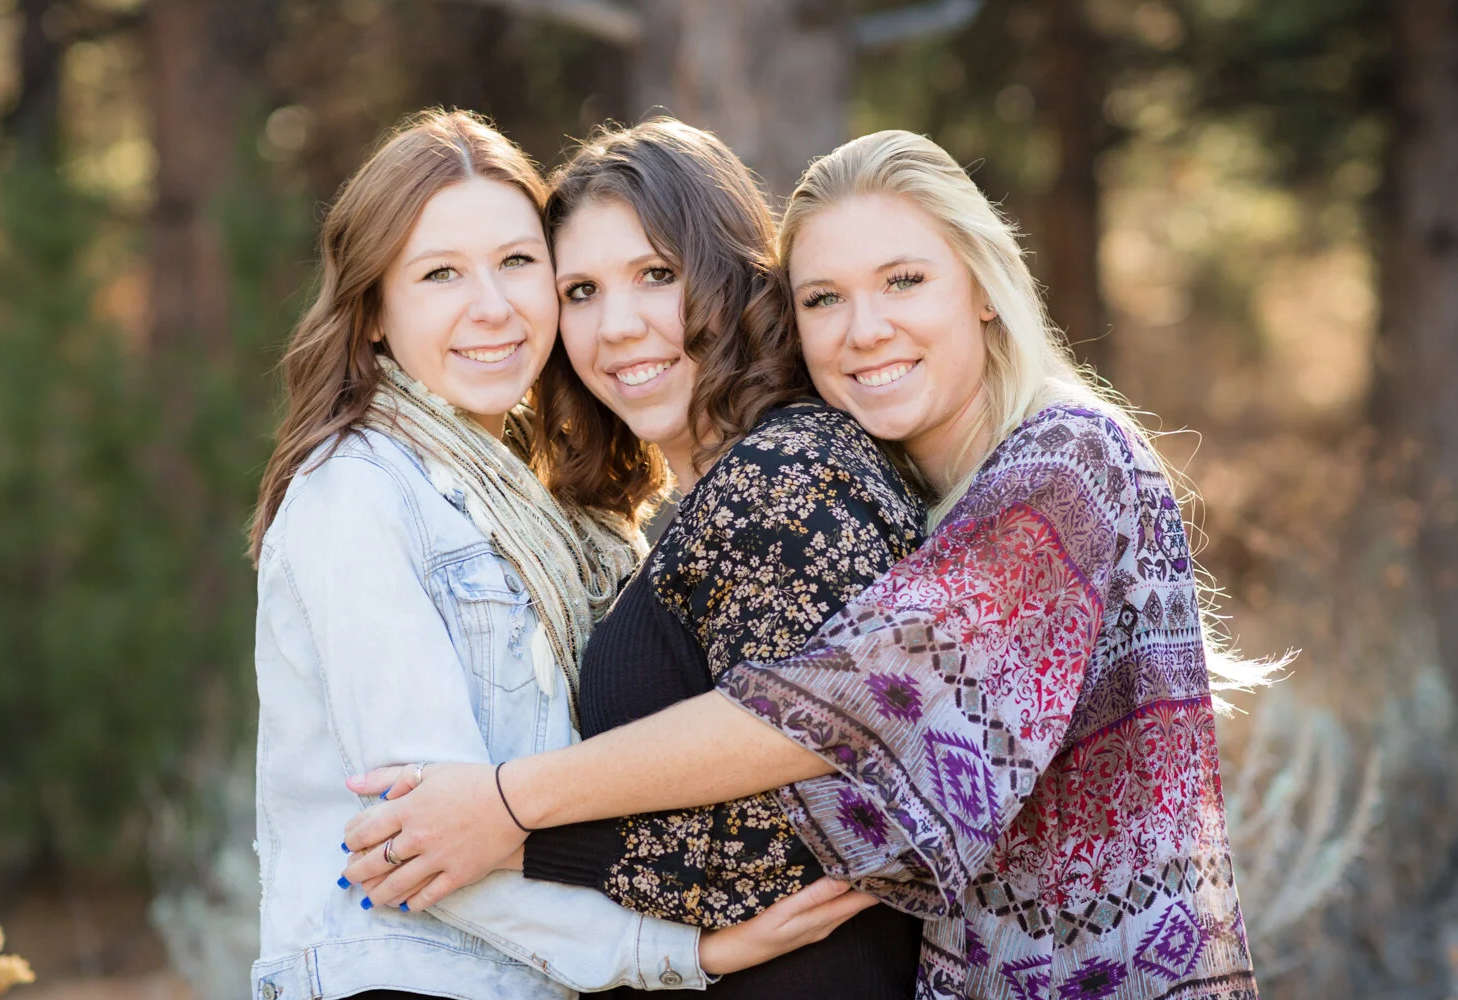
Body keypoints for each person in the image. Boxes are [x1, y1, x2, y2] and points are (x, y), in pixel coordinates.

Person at [342, 129, 1266, 1000]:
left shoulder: (1061, 463)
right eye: (824, 298)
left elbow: (847, 712)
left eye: (904, 281)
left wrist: (509, 816)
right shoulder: (905, 489)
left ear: (985, 285)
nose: (865, 330)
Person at [247, 108, 869, 1000]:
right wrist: (687, 952)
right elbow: (427, 834)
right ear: (373, 312)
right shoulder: (357, 494)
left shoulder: (545, 510)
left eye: (516, 263)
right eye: (440, 274)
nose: (492, 306)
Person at [519, 120, 925, 997]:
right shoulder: (721, 494)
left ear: (731, 273)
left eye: (655, 275)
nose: (616, 327)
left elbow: (824, 829)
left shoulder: (788, 475)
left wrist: (510, 832)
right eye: (581, 291)